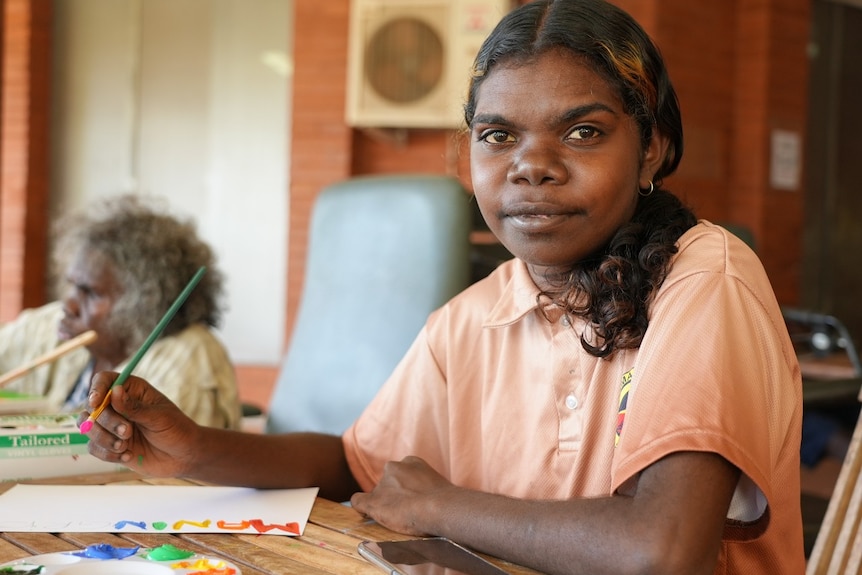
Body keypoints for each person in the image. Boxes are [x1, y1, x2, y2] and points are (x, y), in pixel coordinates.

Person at [82, 1, 805, 573]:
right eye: (498, 136)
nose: (532, 166)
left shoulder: (704, 277)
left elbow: (661, 551)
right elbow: (358, 465)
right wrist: (196, 449)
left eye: (582, 132)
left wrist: (445, 506)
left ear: (652, 146)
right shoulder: (478, 314)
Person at [0, 194, 241, 429]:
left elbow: (169, 467)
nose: (69, 305)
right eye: (72, 285)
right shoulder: (55, 324)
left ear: (143, 303)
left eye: (91, 293)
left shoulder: (190, 357)